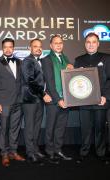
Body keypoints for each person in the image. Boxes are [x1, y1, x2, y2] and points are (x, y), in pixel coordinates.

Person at [74, 33, 110, 163]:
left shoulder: (106, 58)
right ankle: (84, 152)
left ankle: (100, 153)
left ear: (98, 43)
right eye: (88, 42)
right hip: (83, 101)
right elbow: (74, 81)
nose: (90, 44)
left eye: (93, 42)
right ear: (85, 44)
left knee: (100, 129)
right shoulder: (79, 60)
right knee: (85, 128)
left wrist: (105, 96)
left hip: (100, 101)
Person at [0, 38, 25, 167]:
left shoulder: (20, 62)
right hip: (3, 102)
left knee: (15, 129)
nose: (8, 49)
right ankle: (4, 153)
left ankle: (13, 151)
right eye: (5, 47)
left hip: (18, 102)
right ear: (2, 48)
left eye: (10, 47)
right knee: (4, 129)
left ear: (13, 48)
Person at [41, 35, 73, 163]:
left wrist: (73, 70)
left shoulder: (66, 59)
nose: (58, 45)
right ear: (50, 45)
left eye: (60, 43)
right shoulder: (46, 60)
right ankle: (49, 151)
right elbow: (49, 82)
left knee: (61, 127)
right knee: (51, 127)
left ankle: (58, 149)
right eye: (56, 43)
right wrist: (58, 99)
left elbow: (69, 79)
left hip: (67, 99)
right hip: (54, 100)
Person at [21, 39, 51, 164]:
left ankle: (35, 149)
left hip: (39, 100)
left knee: (37, 126)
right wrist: (43, 94)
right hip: (30, 99)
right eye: (35, 46)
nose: (38, 48)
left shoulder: (41, 61)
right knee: (30, 127)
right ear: (30, 48)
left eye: (40, 46)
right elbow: (30, 80)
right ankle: (29, 152)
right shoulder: (27, 61)